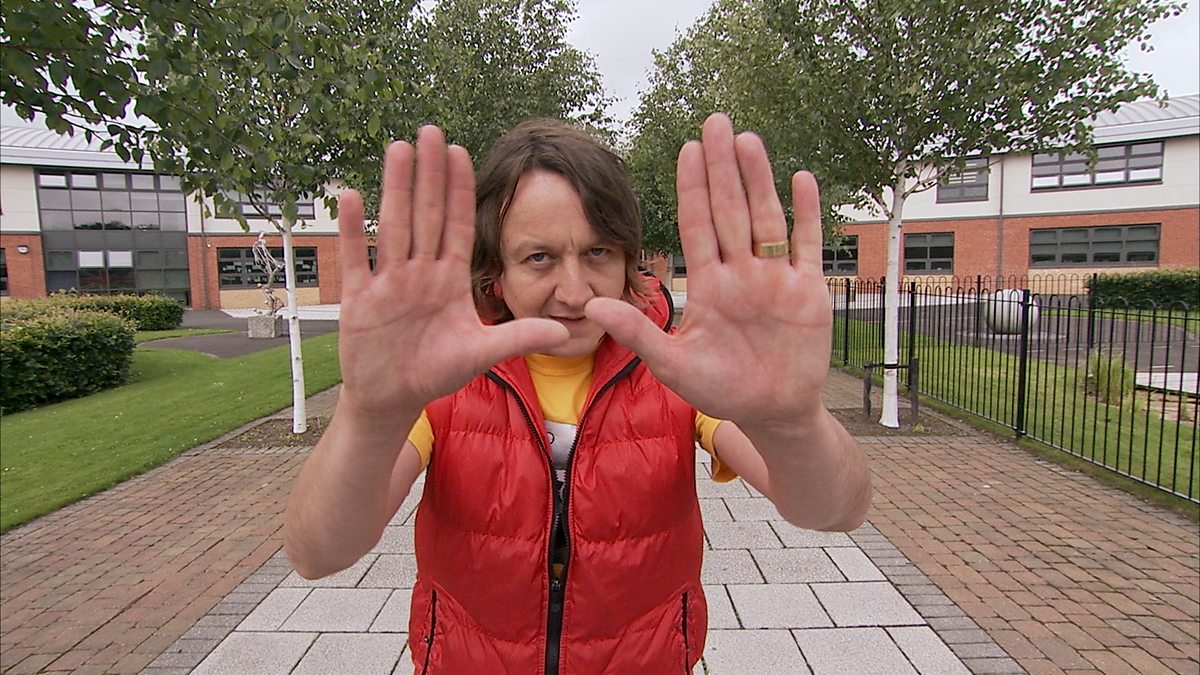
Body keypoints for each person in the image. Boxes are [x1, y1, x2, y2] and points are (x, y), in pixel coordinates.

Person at [283, 113, 872, 674]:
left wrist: (792, 421)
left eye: (597, 252)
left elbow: (835, 510)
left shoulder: (683, 372)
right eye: (539, 258)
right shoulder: (441, 381)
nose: (574, 290)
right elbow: (319, 553)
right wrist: (368, 415)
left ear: (625, 260)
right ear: (497, 274)